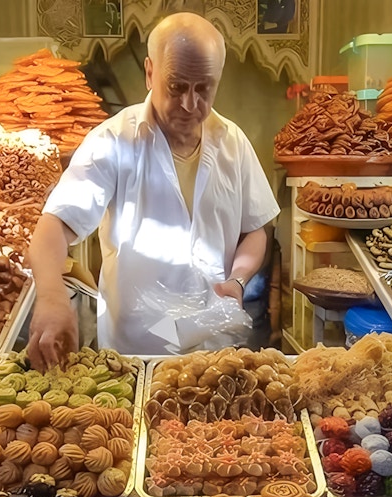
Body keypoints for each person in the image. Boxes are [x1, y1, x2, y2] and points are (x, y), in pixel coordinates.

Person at [27, 11, 280, 371]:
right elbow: (52, 227)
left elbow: (255, 229)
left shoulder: (232, 143)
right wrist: (51, 296)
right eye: (176, 86)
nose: (191, 105)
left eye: (204, 88)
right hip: (136, 355)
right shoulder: (113, 142)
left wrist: (238, 278)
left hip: (215, 352)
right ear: (150, 72)